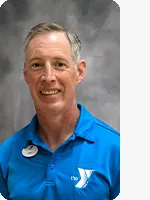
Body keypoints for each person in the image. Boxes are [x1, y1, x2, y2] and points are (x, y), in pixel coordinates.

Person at [0, 23, 120, 200]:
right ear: (26, 74)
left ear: (79, 72)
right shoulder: (6, 154)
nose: (48, 77)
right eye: (37, 65)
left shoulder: (117, 151)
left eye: (59, 64)